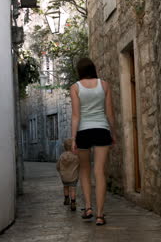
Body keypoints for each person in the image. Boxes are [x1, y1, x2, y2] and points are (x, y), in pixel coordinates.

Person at [70, 58, 116, 226]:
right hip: (102, 130)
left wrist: (74, 138)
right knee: (99, 171)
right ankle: (100, 215)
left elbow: (76, 115)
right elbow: (110, 113)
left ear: (79, 71)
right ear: (93, 69)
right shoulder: (104, 85)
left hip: (83, 131)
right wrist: (113, 132)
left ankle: (88, 207)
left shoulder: (75, 88)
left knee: (84, 170)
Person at [56, 138, 79, 211]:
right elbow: (79, 164)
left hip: (64, 177)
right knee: (73, 189)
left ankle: (66, 199)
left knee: (65, 187)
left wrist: (60, 171)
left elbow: (58, 166)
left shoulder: (62, 156)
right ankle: (73, 202)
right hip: (73, 177)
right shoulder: (75, 156)